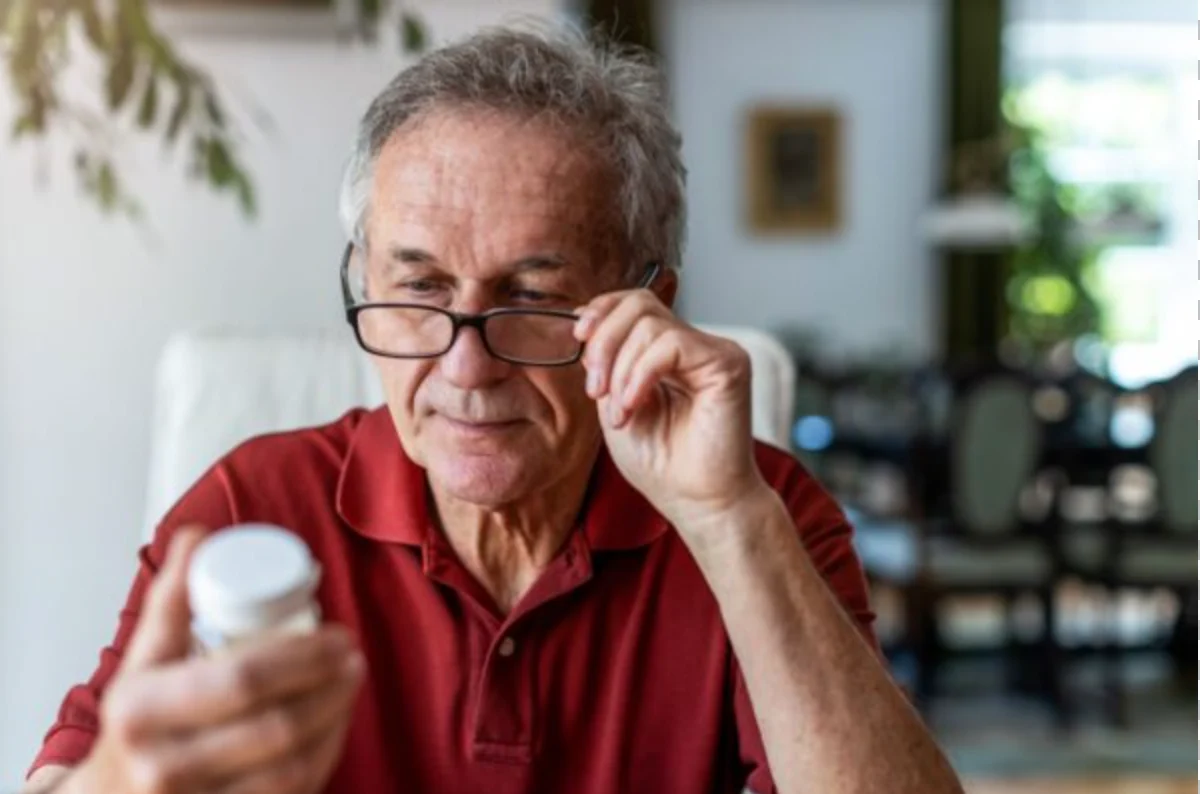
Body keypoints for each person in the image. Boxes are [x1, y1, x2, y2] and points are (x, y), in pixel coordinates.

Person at [23, 25, 963, 794]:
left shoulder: (765, 516)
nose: (465, 367)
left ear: (650, 308)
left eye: (533, 298)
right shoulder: (253, 506)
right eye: (419, 288)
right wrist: (118, 781)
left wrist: (729, 522)